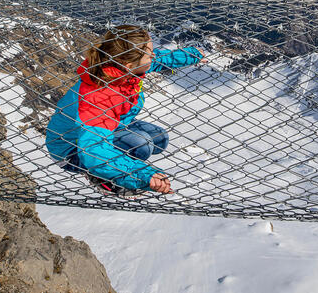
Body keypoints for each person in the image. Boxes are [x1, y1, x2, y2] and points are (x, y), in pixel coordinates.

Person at [45, 24, 204, 196]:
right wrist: (143, 175)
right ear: (129, 65)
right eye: (149, 52)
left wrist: (192, 55)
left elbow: (159, 59)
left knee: (160, 138)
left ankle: (119, 164)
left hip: (108, 126)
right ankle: (104, 178)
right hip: (72, 149)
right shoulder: (100, 96)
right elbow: (92, 151)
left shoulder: (121, 66)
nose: (153, 55)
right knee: (142, 145)